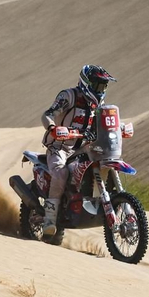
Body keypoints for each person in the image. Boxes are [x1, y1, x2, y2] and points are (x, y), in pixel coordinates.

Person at [39, 64, 115, 237]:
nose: (101, 89)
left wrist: (120, 128)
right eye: (98, 85)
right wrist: (53, 128)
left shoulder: (99, 104)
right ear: (86, 83)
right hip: (60, 146)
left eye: (104, 86)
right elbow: (48, 114)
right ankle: (49, 220)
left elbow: (103, 124)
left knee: (103, 164)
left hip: (83, 147)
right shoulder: (69, 96)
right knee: (61, 174)